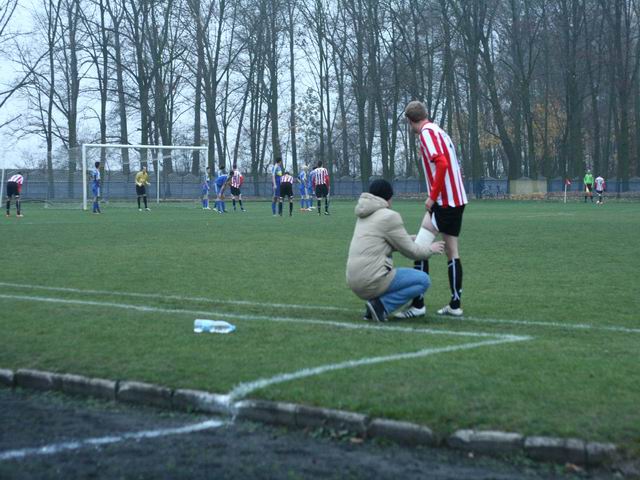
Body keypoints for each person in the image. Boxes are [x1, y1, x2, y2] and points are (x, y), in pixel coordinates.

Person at [346, 179, 445, 322]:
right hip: (372, 281)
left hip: (354, 280)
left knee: (389, 274)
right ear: (388, 197)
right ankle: (381, 306)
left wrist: (411, 238)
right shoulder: (389, 216)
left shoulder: (364, 215)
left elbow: (384, 243)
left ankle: (373, 307)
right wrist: (431, 249)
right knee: (423, 280)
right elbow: (412, 252)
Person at [404, 100, 468, 317]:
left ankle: (418, 304)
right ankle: (455, 305)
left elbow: (442, 163)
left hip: (444, 201)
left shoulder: (426, 134)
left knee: (420, 248)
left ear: (410, 121)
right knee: (452, 251)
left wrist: (432, 197)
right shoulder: (439, 131)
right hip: (456, 199)